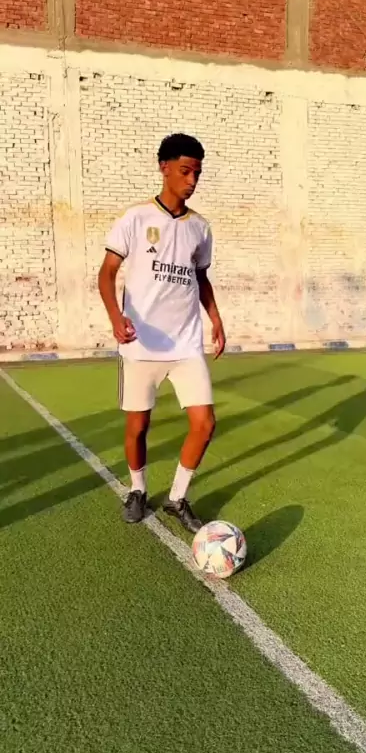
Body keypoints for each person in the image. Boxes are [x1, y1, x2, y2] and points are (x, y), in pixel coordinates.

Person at [98, 133, 225, 531]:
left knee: (205, 423)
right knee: (138, 428)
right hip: (141, 345)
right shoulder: (136, 218)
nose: (192, 180)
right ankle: (137, 490)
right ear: (164, 167)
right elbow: (106, 273)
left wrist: (216, 319)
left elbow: (201, 278)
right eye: (185, 171)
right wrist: (115, 317)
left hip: (186, 344)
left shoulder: (199, 227)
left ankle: (177, 498)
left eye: (197, 173)